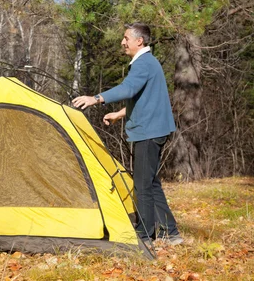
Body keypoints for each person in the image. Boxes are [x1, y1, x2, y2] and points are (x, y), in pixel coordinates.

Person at [72, 23, 183, 246]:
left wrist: (96, 98)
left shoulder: (143, 63)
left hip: (148, 132)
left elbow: (128, 88)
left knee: (142, 185)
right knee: (150, 183)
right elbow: (144, 97)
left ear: (139, 41)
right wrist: (120, 114)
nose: (123, 42)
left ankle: (144, 236)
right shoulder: (148, 63)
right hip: (153, 130)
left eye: (126, 38)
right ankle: (171, 233)